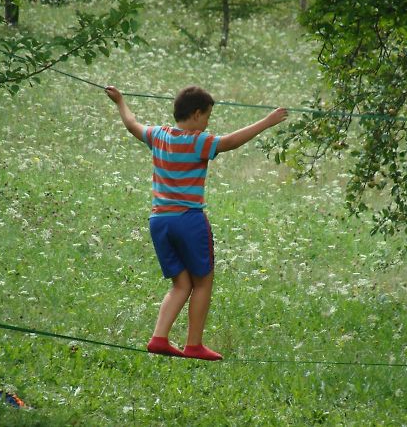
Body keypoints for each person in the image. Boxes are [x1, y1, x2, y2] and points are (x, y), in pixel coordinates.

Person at [105, 85, 288, 360]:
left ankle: (159, 338)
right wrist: (267, 121)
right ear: (196, 113)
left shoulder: (158, 135)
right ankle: (193, 344)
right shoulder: (197, 141)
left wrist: (120, 101)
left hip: (159, 221)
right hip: (188, 220)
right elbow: (229, 142)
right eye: (207, 117)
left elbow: (132, 124)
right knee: (203, 282)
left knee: (181, 284)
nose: (207, 124)